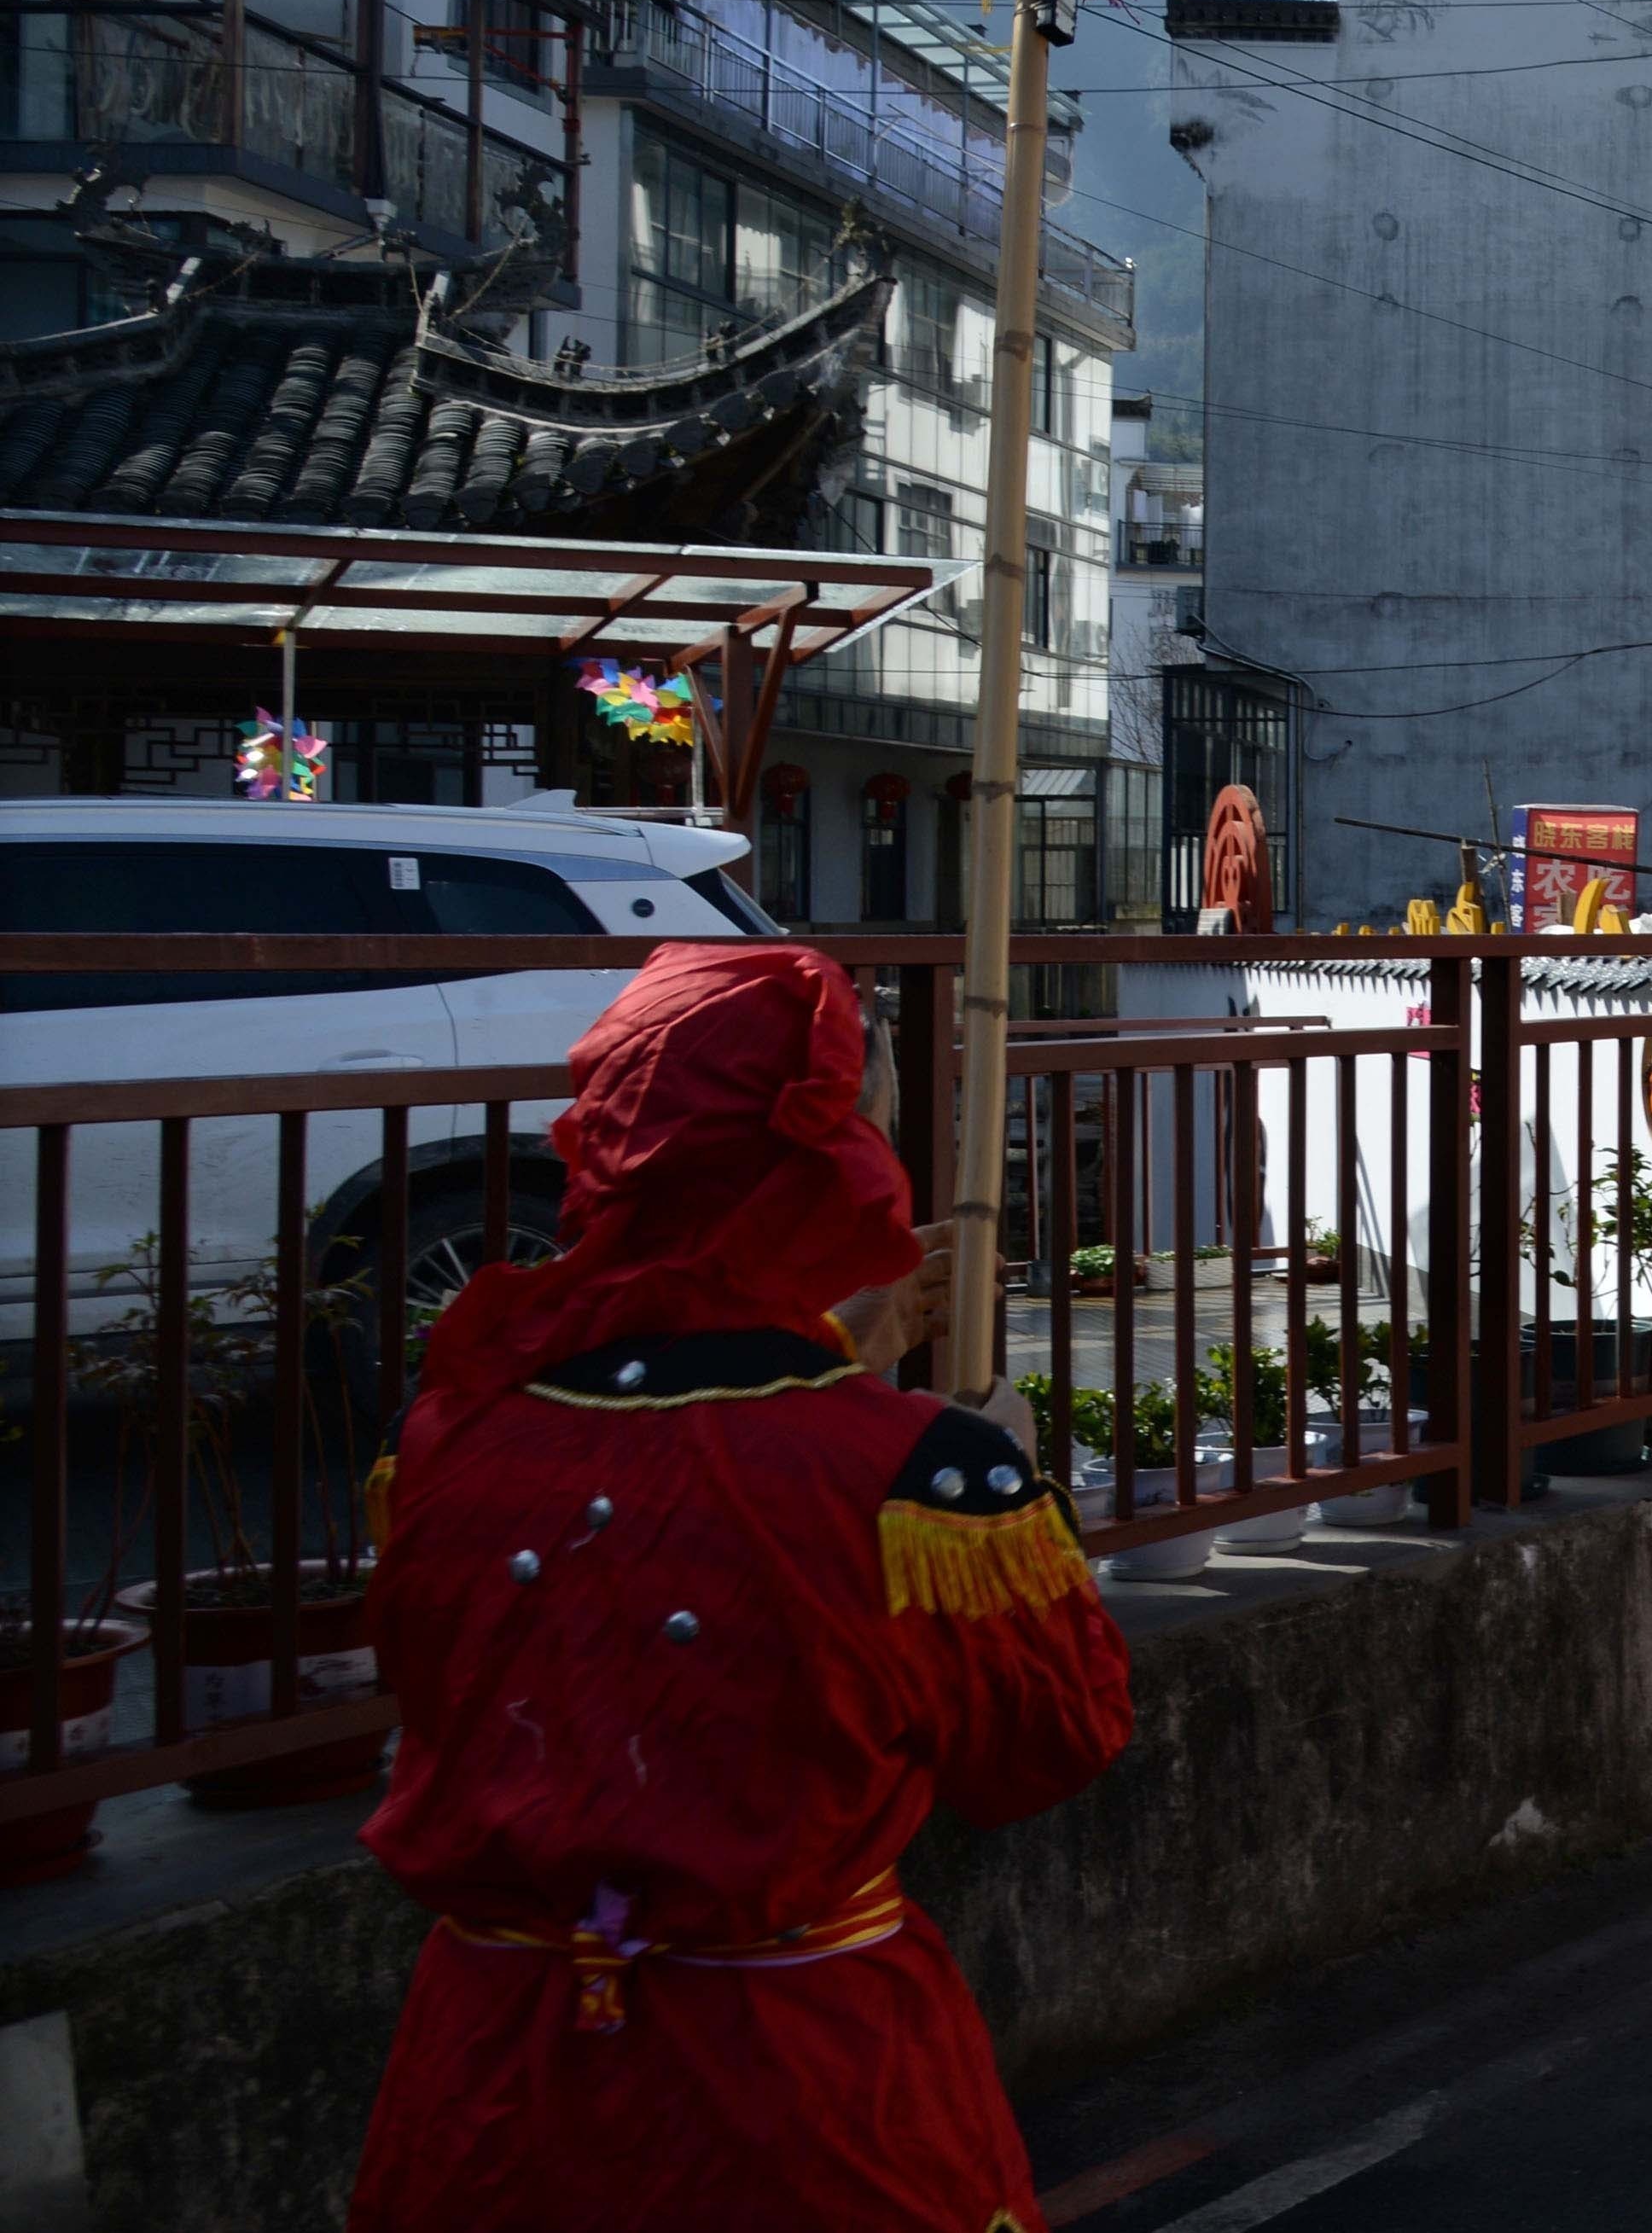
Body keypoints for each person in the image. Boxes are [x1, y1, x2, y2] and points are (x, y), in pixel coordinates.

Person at [348, 945, 1131, 2232]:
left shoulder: (440, 1435)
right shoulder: (920, 1477)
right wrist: (1008, 1480)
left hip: (487, 2095)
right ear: (830, 1160)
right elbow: (1045, 1747)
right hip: (801, 2099)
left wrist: (843, 1351)